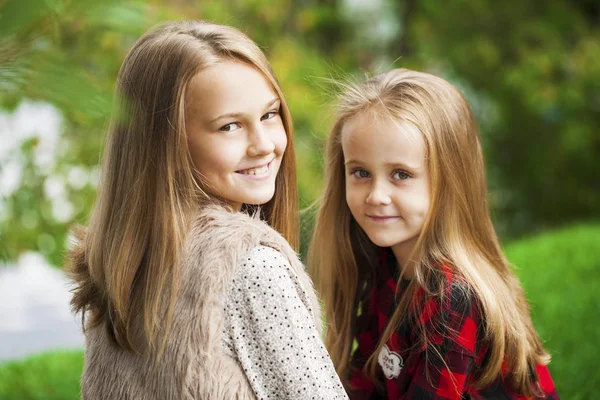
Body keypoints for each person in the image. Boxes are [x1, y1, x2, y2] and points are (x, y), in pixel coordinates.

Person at [67, 20, 347, 399]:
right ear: (167, 145)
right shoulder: (250, 266)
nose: (264, 144)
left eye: (269, 114)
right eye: (229, 126)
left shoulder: (121, 265)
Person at [308, 68, 558, 399]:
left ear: (449, 181)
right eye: (361, 172)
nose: (376, 195)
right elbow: (364, 383)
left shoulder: (453, 299)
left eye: (400, 174)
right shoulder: (383, 264)